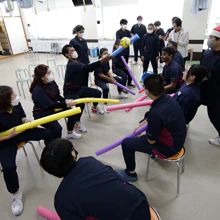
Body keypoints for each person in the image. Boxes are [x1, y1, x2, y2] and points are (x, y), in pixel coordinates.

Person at [40, 139, 151, 220]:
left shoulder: (61, 200)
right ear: (73, 154)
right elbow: (115, 177)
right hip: (141, 203)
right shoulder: (89, 161)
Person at [115, 75, 186, 182]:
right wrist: (142, 124)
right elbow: (152, 115)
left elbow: (151, 140)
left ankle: (130, 173)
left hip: (168, 148)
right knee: (143, 129)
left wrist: (145, 131)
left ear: (147, 92)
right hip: (178, 140)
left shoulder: (156, 113)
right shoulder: (168, 98)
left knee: (126, 143)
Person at [0, 86, 53, 216]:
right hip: (6, 140)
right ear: (5, 100)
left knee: (48, 133)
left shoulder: (16, 104)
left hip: (22, 132)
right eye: (12, 95)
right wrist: (8, 136)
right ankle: (16, 194)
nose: (15, 95)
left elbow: (23, 116)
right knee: (8, 167)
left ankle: (50, 159)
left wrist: (27, 121)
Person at [30, 64, 81, 139]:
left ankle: (70, 133)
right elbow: (51, 105)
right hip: (42, 113)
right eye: (48, 73)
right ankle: (56, 145)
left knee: (73, 112)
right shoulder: (38, 90)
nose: (50, 75)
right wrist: (66, 104)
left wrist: (65, 100)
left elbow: (57, 95)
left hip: (52, 108)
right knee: (57, 129)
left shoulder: (51, 83)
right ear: (42, 77)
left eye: (50, 72)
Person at [62, 44, 112, 117]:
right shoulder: (71, 65)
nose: (75, 52)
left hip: (79, 88)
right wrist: (103, 60)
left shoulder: (77, 62)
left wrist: (101, 60)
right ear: (67, 54)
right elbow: (88, 68)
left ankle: (94, 108)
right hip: (70, 91)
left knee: (97, 93)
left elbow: (89, 67)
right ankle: (76, 122)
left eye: (74, 50)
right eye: (72, 51)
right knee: (81, 105)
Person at [200, 26, 220, 146]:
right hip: (203, 87)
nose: (209, 39)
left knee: (214, 114)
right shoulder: (207, 53)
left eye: (211, 38)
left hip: (217, 91)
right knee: (190, 104)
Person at [95, 48, 128, 112]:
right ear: (100, 54)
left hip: (106, 77)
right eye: (105, 54)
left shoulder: (106, 61)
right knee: (105, 88)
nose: (106, 55)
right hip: (99, 79)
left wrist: (112, 78)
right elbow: (100, 75)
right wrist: (110, 79)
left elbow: (107, 71)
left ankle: (120, 93)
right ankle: (105, 104)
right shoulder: (98, 62)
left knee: (120, 80)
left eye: (107, 53)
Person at [116, 19, 134, 87]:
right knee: (122, 66)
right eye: (124, 24)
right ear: (121, 24)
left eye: (126, 23)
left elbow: (130, 40)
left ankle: (129, 83)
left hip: (127, 51)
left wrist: (131, 37)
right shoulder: (118, 32)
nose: (125, 25)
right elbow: (118, 41)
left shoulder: (128, 31)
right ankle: (122, 81)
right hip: (121, 52)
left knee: (126, 66)